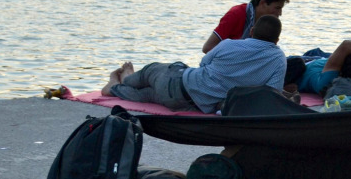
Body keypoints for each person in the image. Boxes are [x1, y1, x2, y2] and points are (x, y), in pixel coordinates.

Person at [102, 15, 287, 113]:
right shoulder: (279, 59)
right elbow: (272, 93)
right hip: (187, 104)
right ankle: (115, 88)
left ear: (252, 31)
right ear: (277, 40)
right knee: (147, 95)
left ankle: (125, 79)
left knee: (149, 72)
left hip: (178, 82)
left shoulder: (230, 45)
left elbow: (203, 62)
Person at [202, 0, 289, 53]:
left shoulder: (267, 25)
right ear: (263, 3)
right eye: (277, 8)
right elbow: (208, 48)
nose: (280, 13)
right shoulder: (236, 14)